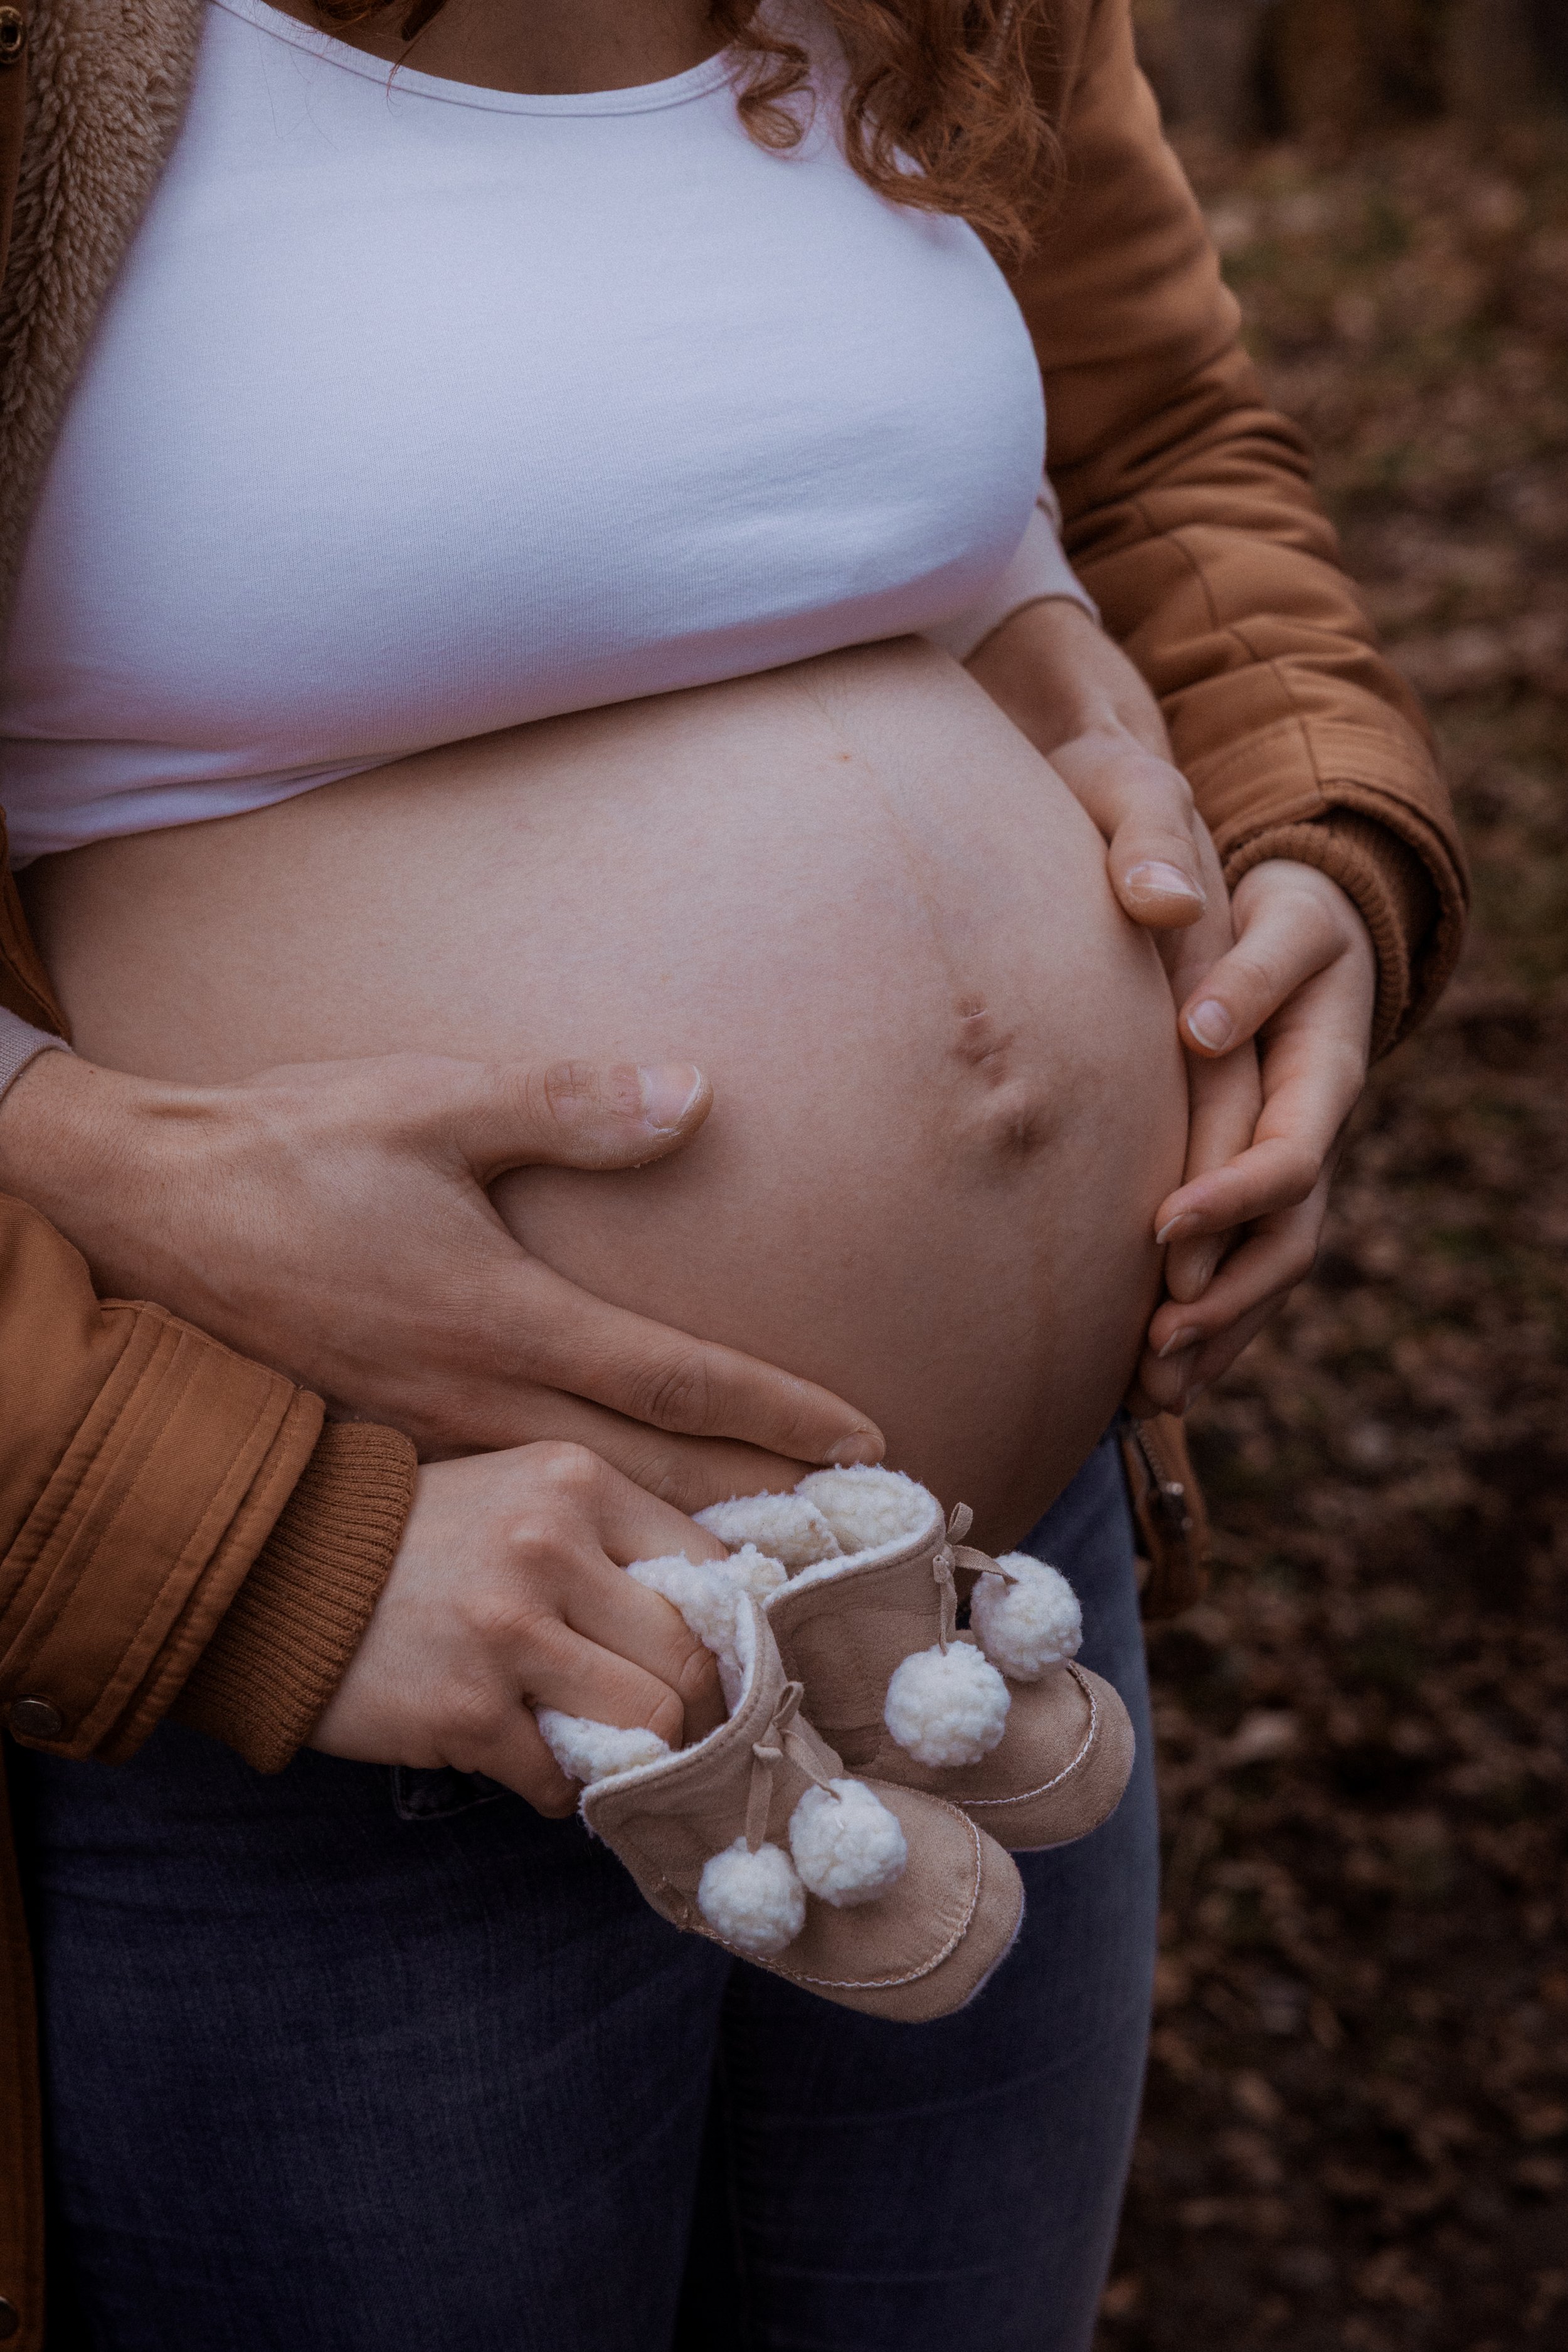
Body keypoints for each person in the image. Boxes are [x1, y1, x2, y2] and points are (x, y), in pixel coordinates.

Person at [0, 0, 1465, 2345]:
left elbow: (1162, 439)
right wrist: (252, 1512)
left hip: (987, 1598)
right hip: (336, 1646)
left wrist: (1309, 823)